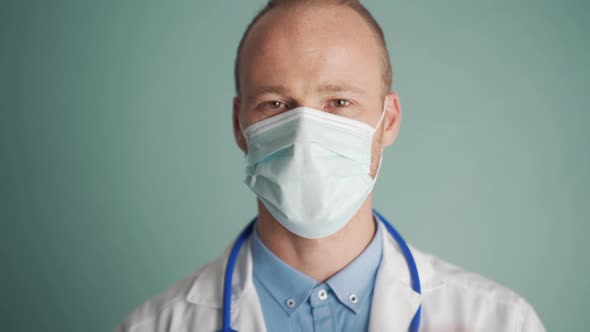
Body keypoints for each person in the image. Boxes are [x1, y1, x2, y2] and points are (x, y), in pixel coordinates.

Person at [115, 0, 546, 331]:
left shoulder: (500, 321)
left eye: (339, 102)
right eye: (275, 104)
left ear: (388, 120)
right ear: (238, 124)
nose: (305, 133)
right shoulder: (151, 326)